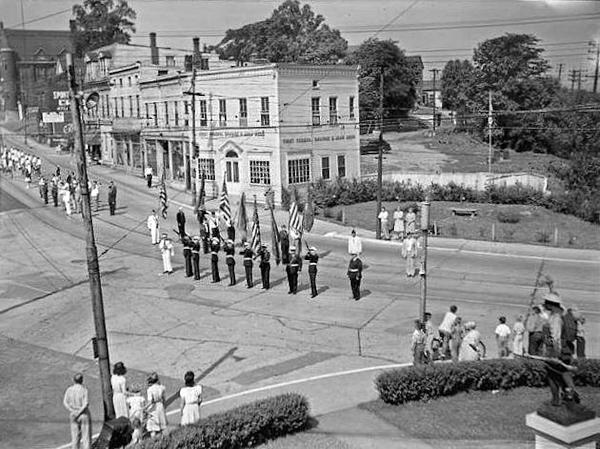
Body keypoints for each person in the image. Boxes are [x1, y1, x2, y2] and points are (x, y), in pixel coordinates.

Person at [63, 373, 92, 449]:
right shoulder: (84, 389)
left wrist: (72, 411)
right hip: (84, 414)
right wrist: (79, 412)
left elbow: (65, 402)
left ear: (73, 380)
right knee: (86, 437)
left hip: (73, 414)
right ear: (82, 381)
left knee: (75, 437)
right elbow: (86, 403)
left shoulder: (69, 389)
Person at [146, 372, 167, 437]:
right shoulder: (162, 387)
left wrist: (144, 408)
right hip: (160, 406)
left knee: (153, 428)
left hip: (153, 408)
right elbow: (164, 399)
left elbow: (150, 401)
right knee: (162, 427)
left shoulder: (150, 389)